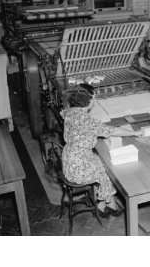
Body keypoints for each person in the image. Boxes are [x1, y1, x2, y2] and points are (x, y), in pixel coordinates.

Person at [61, 83, 142, 217]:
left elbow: (83, 131)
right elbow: (112, 131)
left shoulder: (70, 112)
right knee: (108, 170)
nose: (95, 100)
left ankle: (105, 202)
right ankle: (107, 204)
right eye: (93, 97)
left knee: (101, 163)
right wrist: (135, 133)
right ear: (89, 101)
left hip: (69, 159)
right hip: (79, 167)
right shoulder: (86, 120)